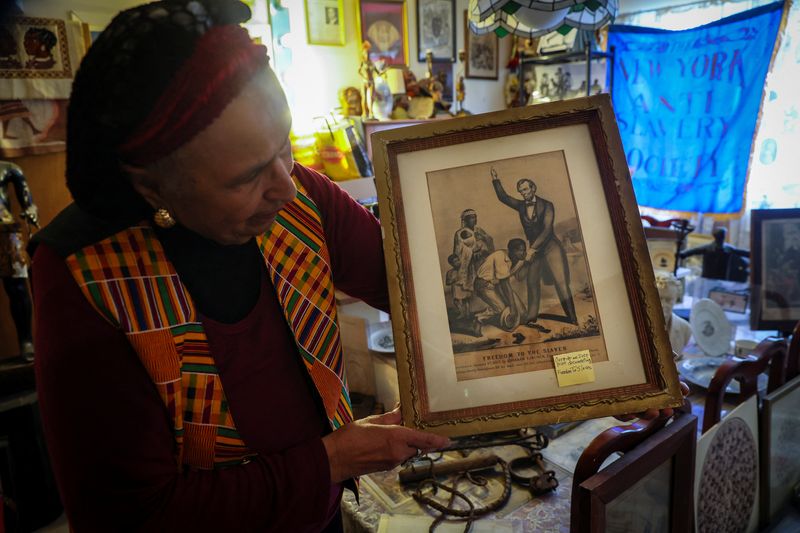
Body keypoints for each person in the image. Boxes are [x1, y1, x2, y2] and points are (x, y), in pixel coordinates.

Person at [29, 1, 448, 531]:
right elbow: (133, 517)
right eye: (246, 177)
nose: (286, 186)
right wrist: (334, 458)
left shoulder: (303, 200)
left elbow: (417, 287)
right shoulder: (85, 280)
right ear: (150, 185)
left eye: (286, 144)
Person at [491, 168, 577, 331]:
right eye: (520, 191)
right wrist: (495, 180)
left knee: (561, 283)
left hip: (551, 246)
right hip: (533, 250)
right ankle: (531, 317)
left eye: (525, 189)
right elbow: (503, 197)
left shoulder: (547, 205)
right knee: (532, 282)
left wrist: (531, 250)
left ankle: (572, 318)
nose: (523, 193)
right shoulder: (521, 206)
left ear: (533, 188)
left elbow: (546, 230)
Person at [1, 161, 37, 360]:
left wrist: (31, 210)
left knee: (18, 288)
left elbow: (28, 201)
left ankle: (26, 340)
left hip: (5, 231)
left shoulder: (8, 169)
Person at [474, 238, 528, 331]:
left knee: (523, 314)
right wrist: (512, 307)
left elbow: (519, 277)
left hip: (497, 285)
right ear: (513, 251)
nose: (524, 253)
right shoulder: (500, 256)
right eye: (521, 250)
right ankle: (479, 318)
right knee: (502, 310)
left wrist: (527, 264)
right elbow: (505, 285)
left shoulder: (517, 259)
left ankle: (500, 314)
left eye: (524, 250)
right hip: (484, 285)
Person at [678, 227, 749, 281]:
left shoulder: (729, 248)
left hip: (723, 278)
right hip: (707, 276)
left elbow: (741, 252)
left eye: (722, 235)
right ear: (716, 236)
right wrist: (683, 254)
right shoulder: (707, 247)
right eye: (720, 235)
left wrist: (754, 254)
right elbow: (693, 251)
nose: (721, 237)